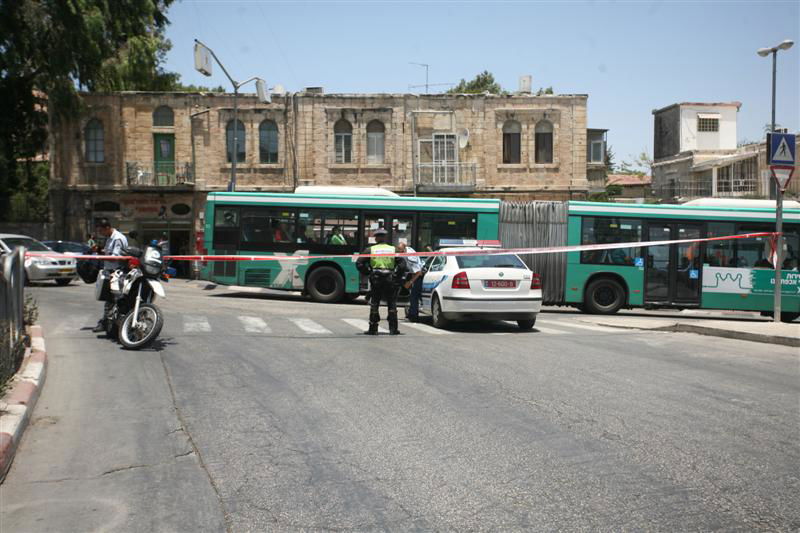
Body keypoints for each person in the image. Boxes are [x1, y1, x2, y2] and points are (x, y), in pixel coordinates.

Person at [356, 228, 407, 335]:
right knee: (392, 303)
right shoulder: (393, 249)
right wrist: (396, 276)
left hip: (376, 279)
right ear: (385, 237)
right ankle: (393, 329)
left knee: (375, 302)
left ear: (376, 238)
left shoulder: (370, 250)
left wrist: (368, 272)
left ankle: (373, 329)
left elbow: (359, 263)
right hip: (390, 278)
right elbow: (402, 265)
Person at [92, 218, 128, 333]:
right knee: (109, 299)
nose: (100, 233)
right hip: (110, 271)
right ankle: (107, 322)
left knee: (114, 299)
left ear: (107, 228)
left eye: (101, 231)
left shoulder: (117, 238)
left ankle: (110, 323)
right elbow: (109, 252)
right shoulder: (110, 237)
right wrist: (99, 251)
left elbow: (115, 257)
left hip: (117, 272)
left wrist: (101, 257)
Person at [397, 242, 424, 322]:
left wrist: (410, 282)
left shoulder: (410, 257)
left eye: (401, 251)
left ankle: (413, 317)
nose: (400, 253)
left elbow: (419, 272)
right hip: (414, 273)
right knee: (413, 295)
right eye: (399, 251)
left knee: (414, 296)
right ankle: (412, 313)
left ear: (405, 249)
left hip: (419, 275)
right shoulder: (407, 251)